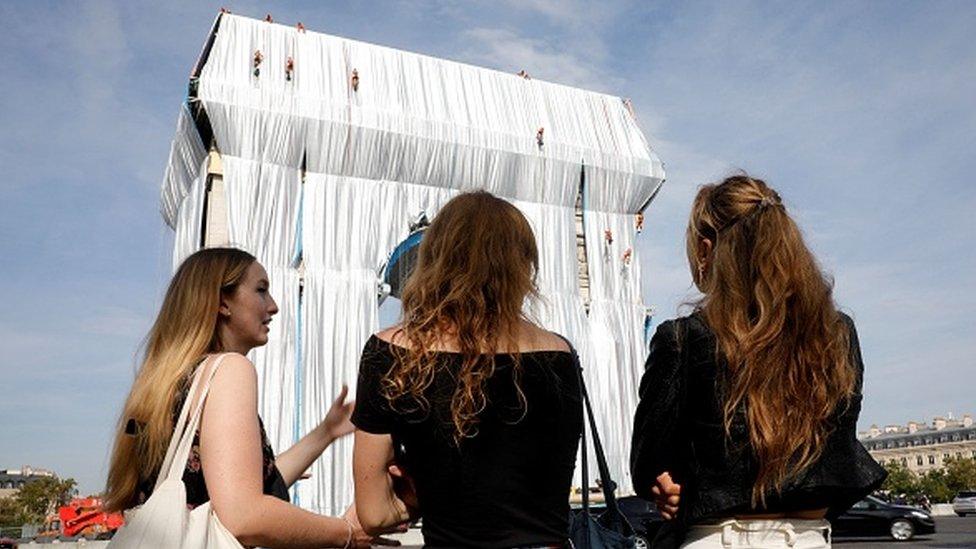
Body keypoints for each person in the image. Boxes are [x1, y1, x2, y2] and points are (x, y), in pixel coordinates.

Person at [631, 175, 886, 548]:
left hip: (720, 538)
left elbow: (648, 464)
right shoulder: (837, 333)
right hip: (810, 538)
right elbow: (837, 443)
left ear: (706, 250)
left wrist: (668, 481)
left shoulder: (684, 339)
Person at [104, 247, 395, 548]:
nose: (274, 306)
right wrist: (345, 533)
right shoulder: (229, 370)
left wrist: (326, 432)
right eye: (261, 290)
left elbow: (235, 482)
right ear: (223, 303)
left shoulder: (166, 383)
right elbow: (243, 514)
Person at [351, 191, 583, 548]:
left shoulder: (391, 353)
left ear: (436, 259)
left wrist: (419, 494)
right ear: (522, 266)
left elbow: (374, 514)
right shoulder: (560, 354)